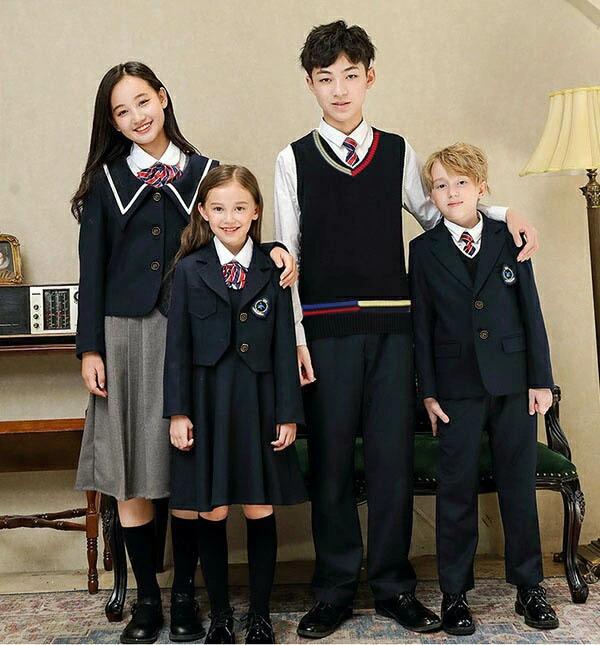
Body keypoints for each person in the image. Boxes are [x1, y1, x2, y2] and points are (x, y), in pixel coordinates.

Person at [274, 20, 541, 639]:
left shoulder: (396, 151)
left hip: (394, 332)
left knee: (391, 461)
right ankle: (335, 589)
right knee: (332, 465)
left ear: (369, 77)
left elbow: (441, 215)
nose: (340, 90)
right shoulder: (292, 159)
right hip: (325, 334)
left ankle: (394, 586)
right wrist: (297, 340)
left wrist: (502, 211)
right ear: (310, 84)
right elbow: (287, 257)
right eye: (325, 79)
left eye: (350, 76)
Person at [72, 62, 297, 645]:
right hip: (125, 336)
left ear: (164, 97)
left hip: (197, 340)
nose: (136, 117)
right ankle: (148, 600)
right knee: (133, 471)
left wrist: (275, 250)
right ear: (112, 123)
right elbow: (91, 271)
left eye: (143, 101)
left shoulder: (203, 174)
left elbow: (235, 228)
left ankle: (186, 599)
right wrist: (89, 347)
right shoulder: (106, 183)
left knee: (189, 469)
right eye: (121, 111)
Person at [410, 142, 559, 635]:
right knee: (456, 491)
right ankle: (455, 593)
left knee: (518, 486)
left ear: (481, 188)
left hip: (514, 383)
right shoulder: (424, 251)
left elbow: (530, 310)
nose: (451, 192)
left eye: (461, 183)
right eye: (441, 185)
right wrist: (428, 392)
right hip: (456, 388)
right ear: (431, 194)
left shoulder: (508, 237)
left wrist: (541, 380)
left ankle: (530, 587)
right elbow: (422, 327)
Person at [164, 165, 307, 644]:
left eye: (240, 208)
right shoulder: (189, 270)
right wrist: (178, 412)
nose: (230, 218)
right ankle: (222, 615)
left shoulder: (272, 269)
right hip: (206, 404)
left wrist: (288, 413)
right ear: (204, 212)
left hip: (259, 403)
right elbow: (177, 349)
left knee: (259, 507)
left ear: (256, 211)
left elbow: (285, 346)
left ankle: (260, 615)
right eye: (220, 208)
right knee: (213, 510)